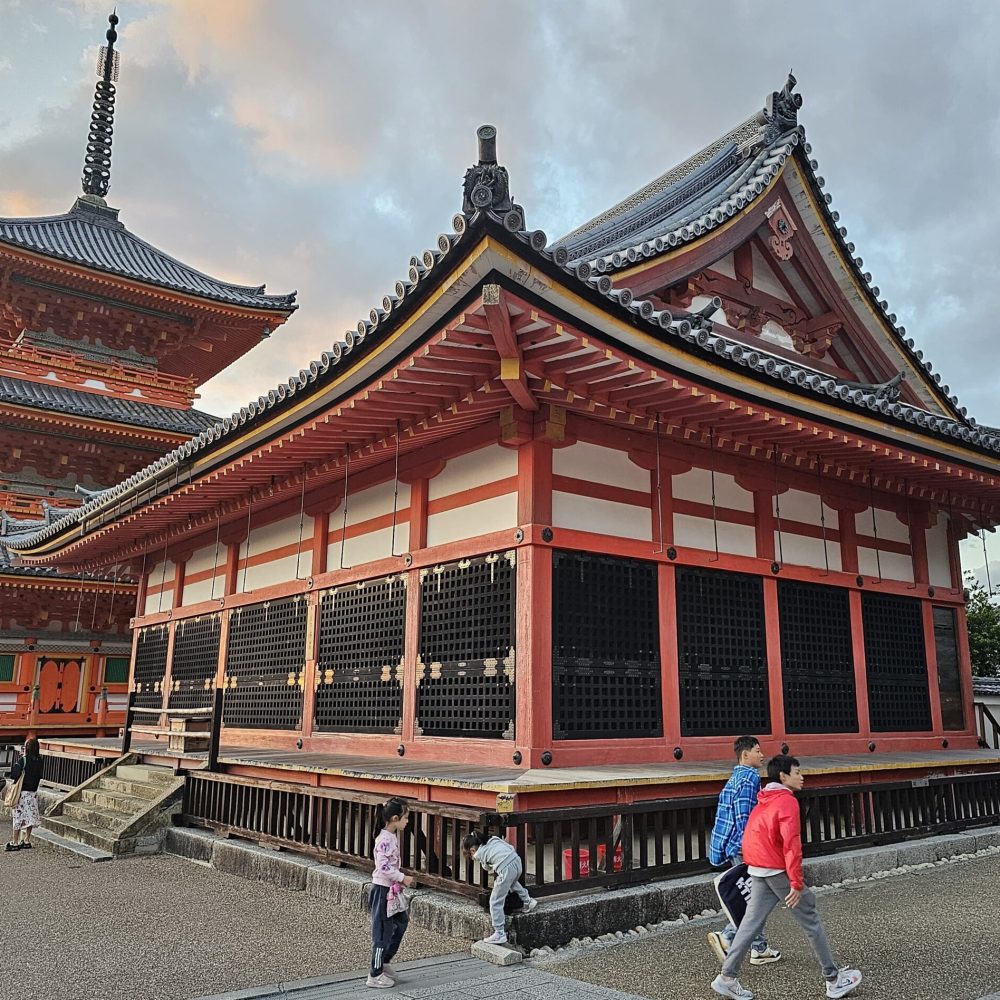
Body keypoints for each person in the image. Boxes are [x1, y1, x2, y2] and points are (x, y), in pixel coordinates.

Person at [710, 755, 863, 1000]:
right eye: (797, 772)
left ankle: (727, 977)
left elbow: (752, 834)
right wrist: (796, 882)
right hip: (776, 869)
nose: (801, 776)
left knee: (749, 923)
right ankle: (834, 979)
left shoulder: (764, 799)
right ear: (783, 776)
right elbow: (792, 845)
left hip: (758, 866)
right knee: (810, 917)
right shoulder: (786, 802)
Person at [707, 736, 780, 966]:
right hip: (744, 845)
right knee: (755, 899)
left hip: (733, 844)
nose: (762, 755)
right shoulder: (749, 779)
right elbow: (744, 816)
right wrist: (751, 845)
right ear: (745, 754)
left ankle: (759, 948)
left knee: (752, 896)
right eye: (757, 751)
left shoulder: (736, 777)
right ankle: (727, 936)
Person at [368, 798, 415, 989]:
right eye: (406, 818)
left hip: (391, 891)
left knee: (401, 922)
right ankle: (375, 973)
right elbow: (383, 866)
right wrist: (402, 877)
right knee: (382, 932)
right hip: (382, 890)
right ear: (395, 818)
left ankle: (385, 961)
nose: (407, 821)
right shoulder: (385, 839)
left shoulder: (391, 837)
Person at [462, 830, 537, 944]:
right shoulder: (493, 840)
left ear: (472, 850)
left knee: (495, 901)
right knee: (512, 883)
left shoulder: (478, 854)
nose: (471, 856)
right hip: (516, 861)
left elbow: (487, 868)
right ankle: (528, 901)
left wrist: (479, 859)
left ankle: (499, 933)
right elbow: (509, 846)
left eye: (470, 853)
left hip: (505, 868)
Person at [5, 737, 42, 852]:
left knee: (18, 817)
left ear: (27, 748)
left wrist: (20, 759)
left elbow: (14, 775)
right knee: (30, 816)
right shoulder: (40, 760)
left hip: (22, 793)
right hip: (33, 792)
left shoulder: (23, 760)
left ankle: (15, 842)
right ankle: (26, 840)